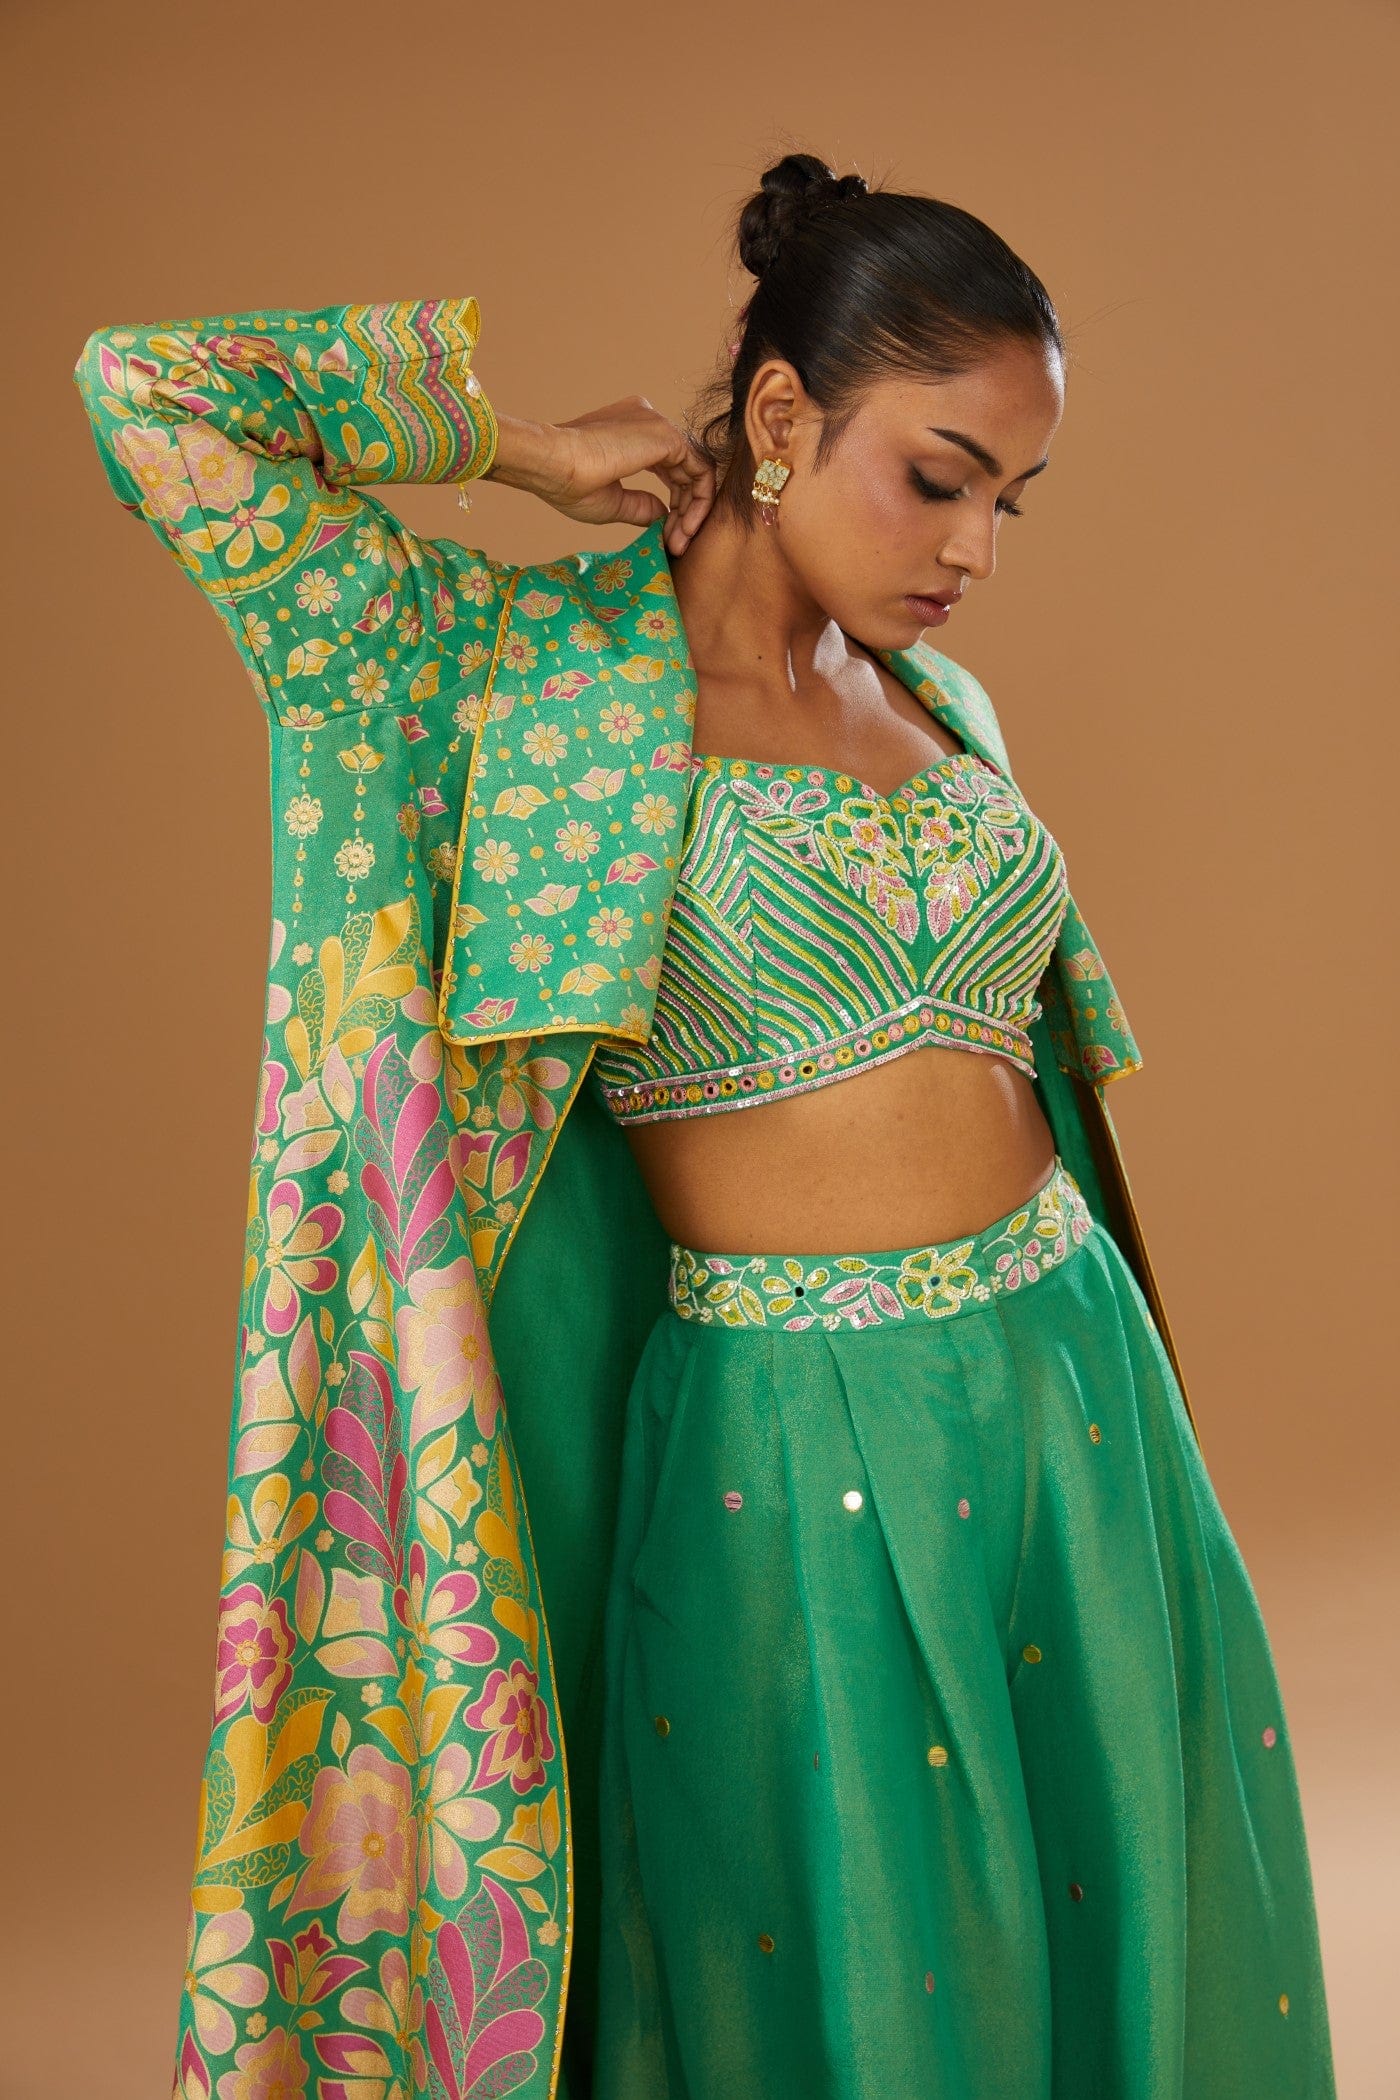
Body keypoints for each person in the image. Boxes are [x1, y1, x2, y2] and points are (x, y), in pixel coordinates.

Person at [75, 151, 1337, 2100]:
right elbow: (148, 396)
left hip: (1076, 1397)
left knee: (1120, 1944)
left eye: (1008, 500)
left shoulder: (942, 705)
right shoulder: (507, 680)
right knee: (845, 1976)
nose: (975, 549)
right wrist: (507, 448)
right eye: (937, 478)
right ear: (777, 415)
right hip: (788, 1452)